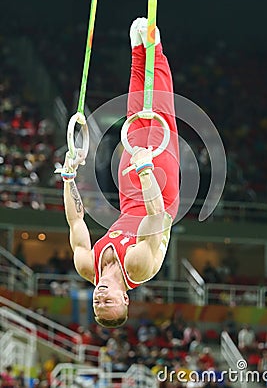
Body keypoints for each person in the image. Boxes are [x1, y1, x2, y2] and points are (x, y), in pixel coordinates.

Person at [61, 17, 180, 328]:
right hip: (161, 199)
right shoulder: (138, 268)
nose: (100, 297)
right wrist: (144, 170)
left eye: (97, 303)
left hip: (129, 200)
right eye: (108, 301)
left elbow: (75, 221)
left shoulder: (88, 267)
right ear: (125, 298)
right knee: (158, 117)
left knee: (135, 117)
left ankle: (138, 52)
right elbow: (156, 217)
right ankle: (156, 48)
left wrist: (69, 178)